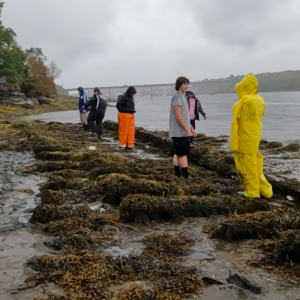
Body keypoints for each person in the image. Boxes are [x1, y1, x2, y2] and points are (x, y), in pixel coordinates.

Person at [230, 73, 273, 199]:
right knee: (255, 162)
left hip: (245, 135)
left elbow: (237, 115)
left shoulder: (246, 100)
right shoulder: (260, 99)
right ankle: (265, 190)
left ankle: (252, 192)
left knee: (248, 164)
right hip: (254, 134)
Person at [169, 77, 197, 179]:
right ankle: (185, 175)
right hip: (179, 132)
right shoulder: (177, 97)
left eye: (187, 84)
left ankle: (177, 174)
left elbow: (185, 116)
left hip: (181, 131)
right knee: (183, 154)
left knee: (177, 153)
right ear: (179, 85)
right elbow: (178, 116)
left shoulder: (183, 97)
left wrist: (192, 129)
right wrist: (187, 130)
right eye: (184, 84)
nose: (186, 86)